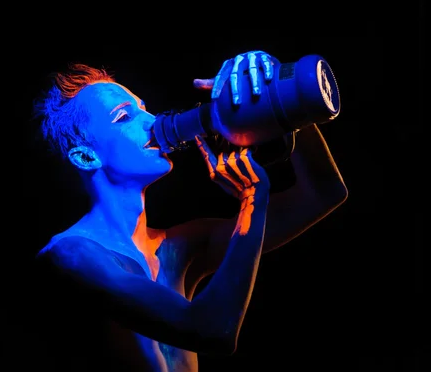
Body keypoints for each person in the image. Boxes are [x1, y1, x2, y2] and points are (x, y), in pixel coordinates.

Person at [31, 51, 348, 372]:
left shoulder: (178, 248)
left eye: (144, 109)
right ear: (86, 157)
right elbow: (213, 332)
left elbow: (323, 193)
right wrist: (252, 200)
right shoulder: (71, 255)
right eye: (124, 117)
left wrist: (280, 99)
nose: (152, 121)